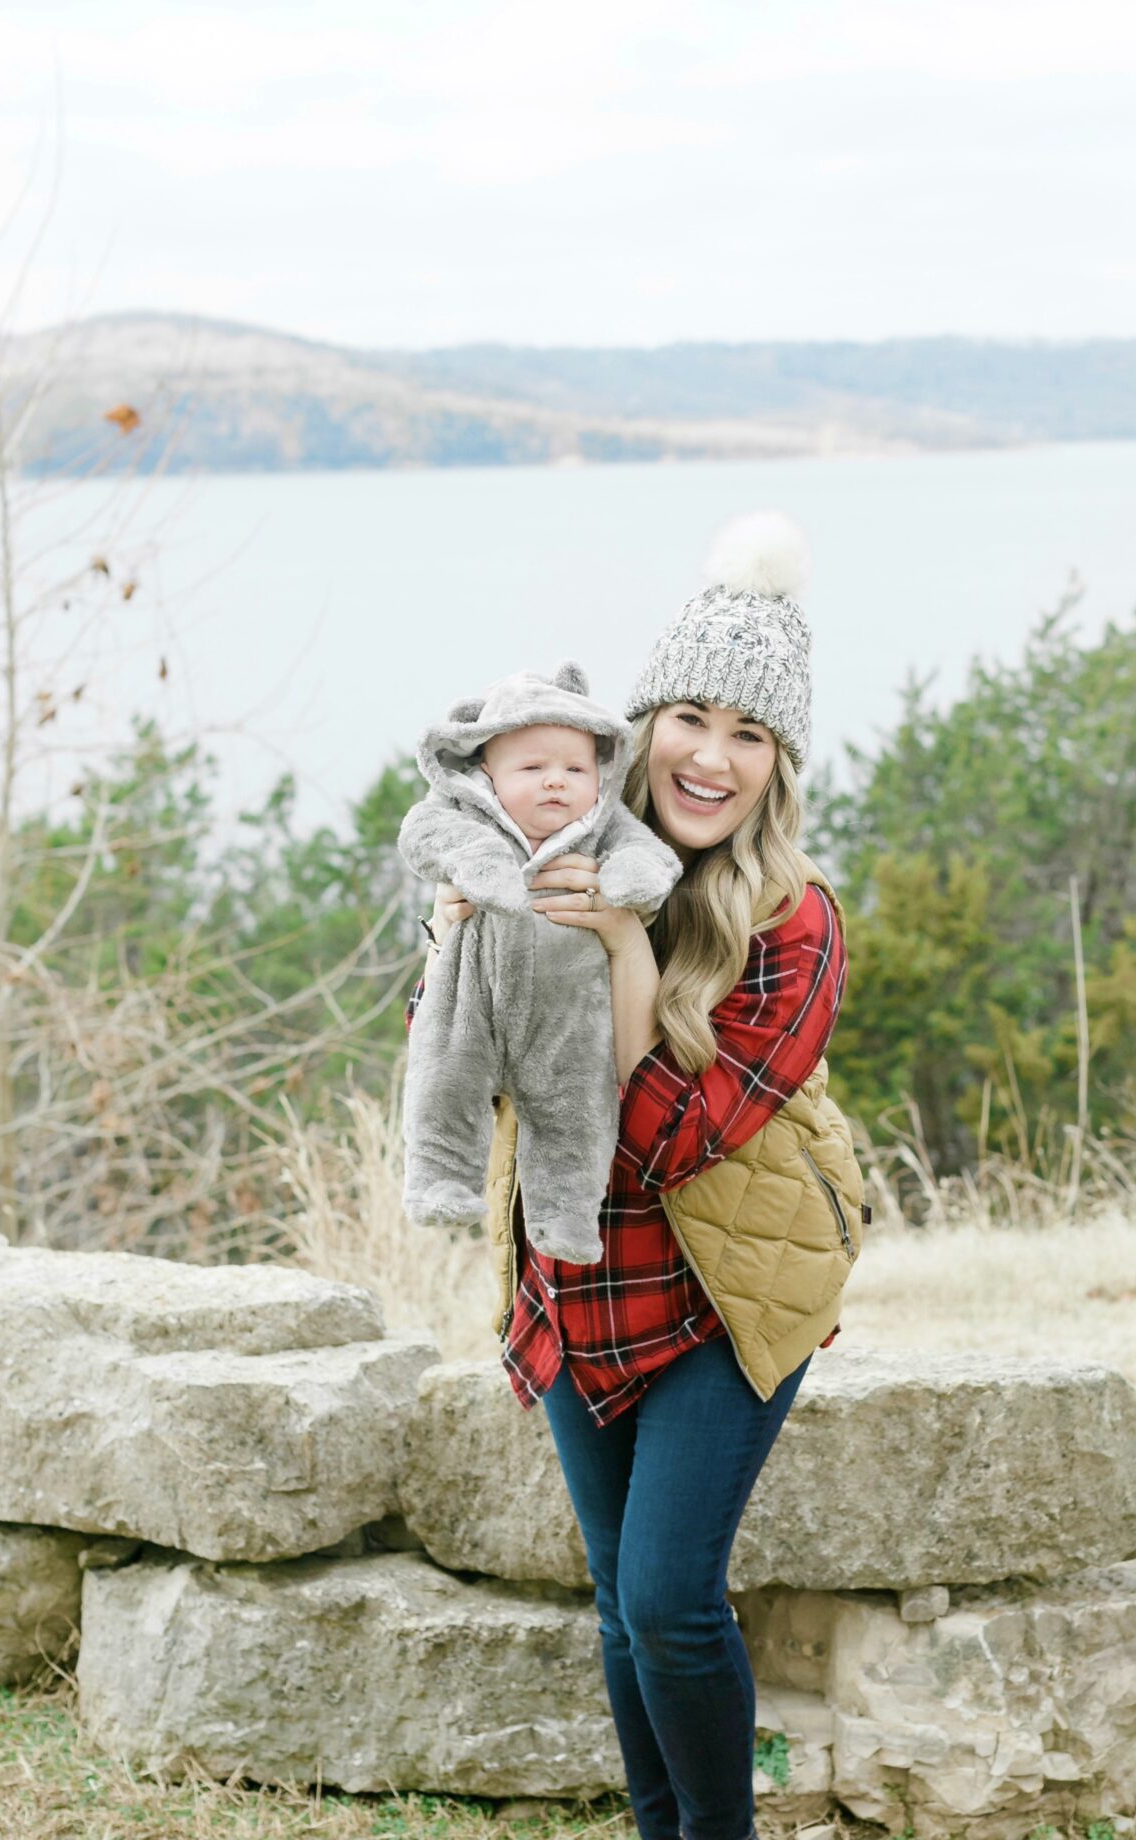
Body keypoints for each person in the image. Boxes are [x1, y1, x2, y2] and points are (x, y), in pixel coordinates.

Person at [403, 511, 864, 1840]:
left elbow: (662, 1139)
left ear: (778, 767)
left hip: (725, 1294)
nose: (711, 758)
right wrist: (459, 944)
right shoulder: (549, 859)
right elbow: (464, 1060)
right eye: (691, 720)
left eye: (751, 735)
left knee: (668, 1595)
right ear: (642, 723)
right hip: (574, 1273)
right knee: (616, 1601)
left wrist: (615, 952)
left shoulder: (791, 920)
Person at [396, 659, 681, 1262]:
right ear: (486, 775)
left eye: (574, 769)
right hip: (469, 998)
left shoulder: (600, 829)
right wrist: (476, 867)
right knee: (443, 1084)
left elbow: (646, 854)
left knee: (575, 1110)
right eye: (533, 768)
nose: (556, 782)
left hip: (566, 1010)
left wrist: (632, 880)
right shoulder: (467, 818)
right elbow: (422, 834)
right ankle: (439, 1181)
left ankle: (569, 1217)